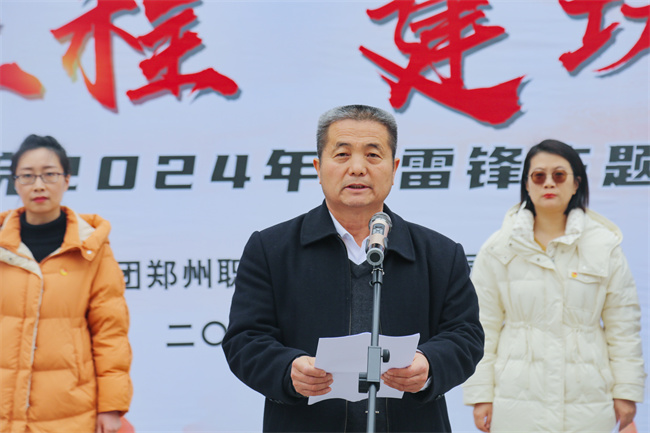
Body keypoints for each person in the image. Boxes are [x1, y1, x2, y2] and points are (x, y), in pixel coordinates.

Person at [222, 104, 484, 432]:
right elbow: (245, 339)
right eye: (342, 155)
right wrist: (288, 369)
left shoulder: (440, 253)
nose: (357, 168)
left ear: (394, 168)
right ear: (318, 167)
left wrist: (430, 364)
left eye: (373, 155)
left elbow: (466, 335)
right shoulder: (271, 249)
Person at [462, 139, 646, 432]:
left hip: (587, 400)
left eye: (559, 175)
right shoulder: (499, 247)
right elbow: (483, 326)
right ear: (527, 184)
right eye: (539, 176)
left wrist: (626, 391)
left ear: (576, 184)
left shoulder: (604, 246)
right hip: (516, 399)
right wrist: (480, 395)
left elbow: (623, 327)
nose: (549, 183)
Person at [0, 135, 133, 433]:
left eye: (49, 174)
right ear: (15, 183)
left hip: (70, 410)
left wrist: (111, 407)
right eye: (27, 175)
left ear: (67, 179)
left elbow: (110, 332)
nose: (38, 185)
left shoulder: (91, 247)